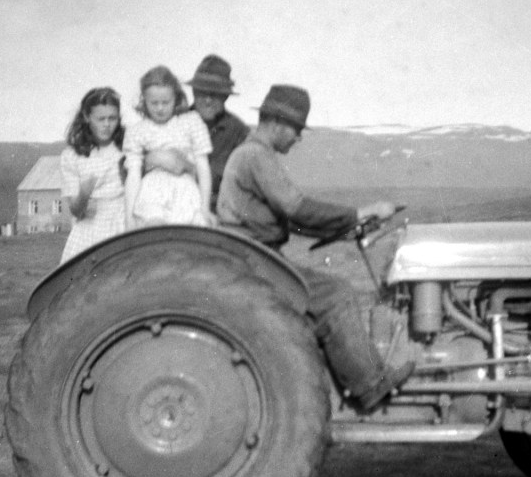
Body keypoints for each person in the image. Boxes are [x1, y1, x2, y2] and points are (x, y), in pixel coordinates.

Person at [217, 84, 414, 411]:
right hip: (255, 260)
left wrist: (344, 227)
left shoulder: (253, 154)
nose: (298, 137)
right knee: (337, 294)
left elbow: (290, 220)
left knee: (327, 292)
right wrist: (360, 212)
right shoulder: (255, 156)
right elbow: (297, 209)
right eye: (296, 128)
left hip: (254, 255)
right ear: (277, 123)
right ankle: (370, 386)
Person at [124, 65, 214, 228]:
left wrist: (205, 207)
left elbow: (202, 165)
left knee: (188, 230)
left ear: (176, 99)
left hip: (184, 189)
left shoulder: (191, 121)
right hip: (152, 191)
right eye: (154, 103)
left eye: (166, 102)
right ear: (144, 100)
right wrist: (129, 218)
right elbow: (133, 175)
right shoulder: (138, 131)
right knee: (155, 228)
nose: (160, 108)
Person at [58, 87, 127, 264]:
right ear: (87, 117)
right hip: (89, 229)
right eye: (101, 119)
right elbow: (75, 210)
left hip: (122, 225)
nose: (107, 124)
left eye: (112, 118)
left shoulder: (127, 147)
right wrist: (84, 193)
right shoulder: (72, 156)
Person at [186, 55, 250, 212]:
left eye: (214, 94)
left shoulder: (239, 132)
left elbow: (243, 186)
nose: (208, 100)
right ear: (194, 92)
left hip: (217, 212)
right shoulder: (174, 122)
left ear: (225, 96)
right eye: (202, 92)